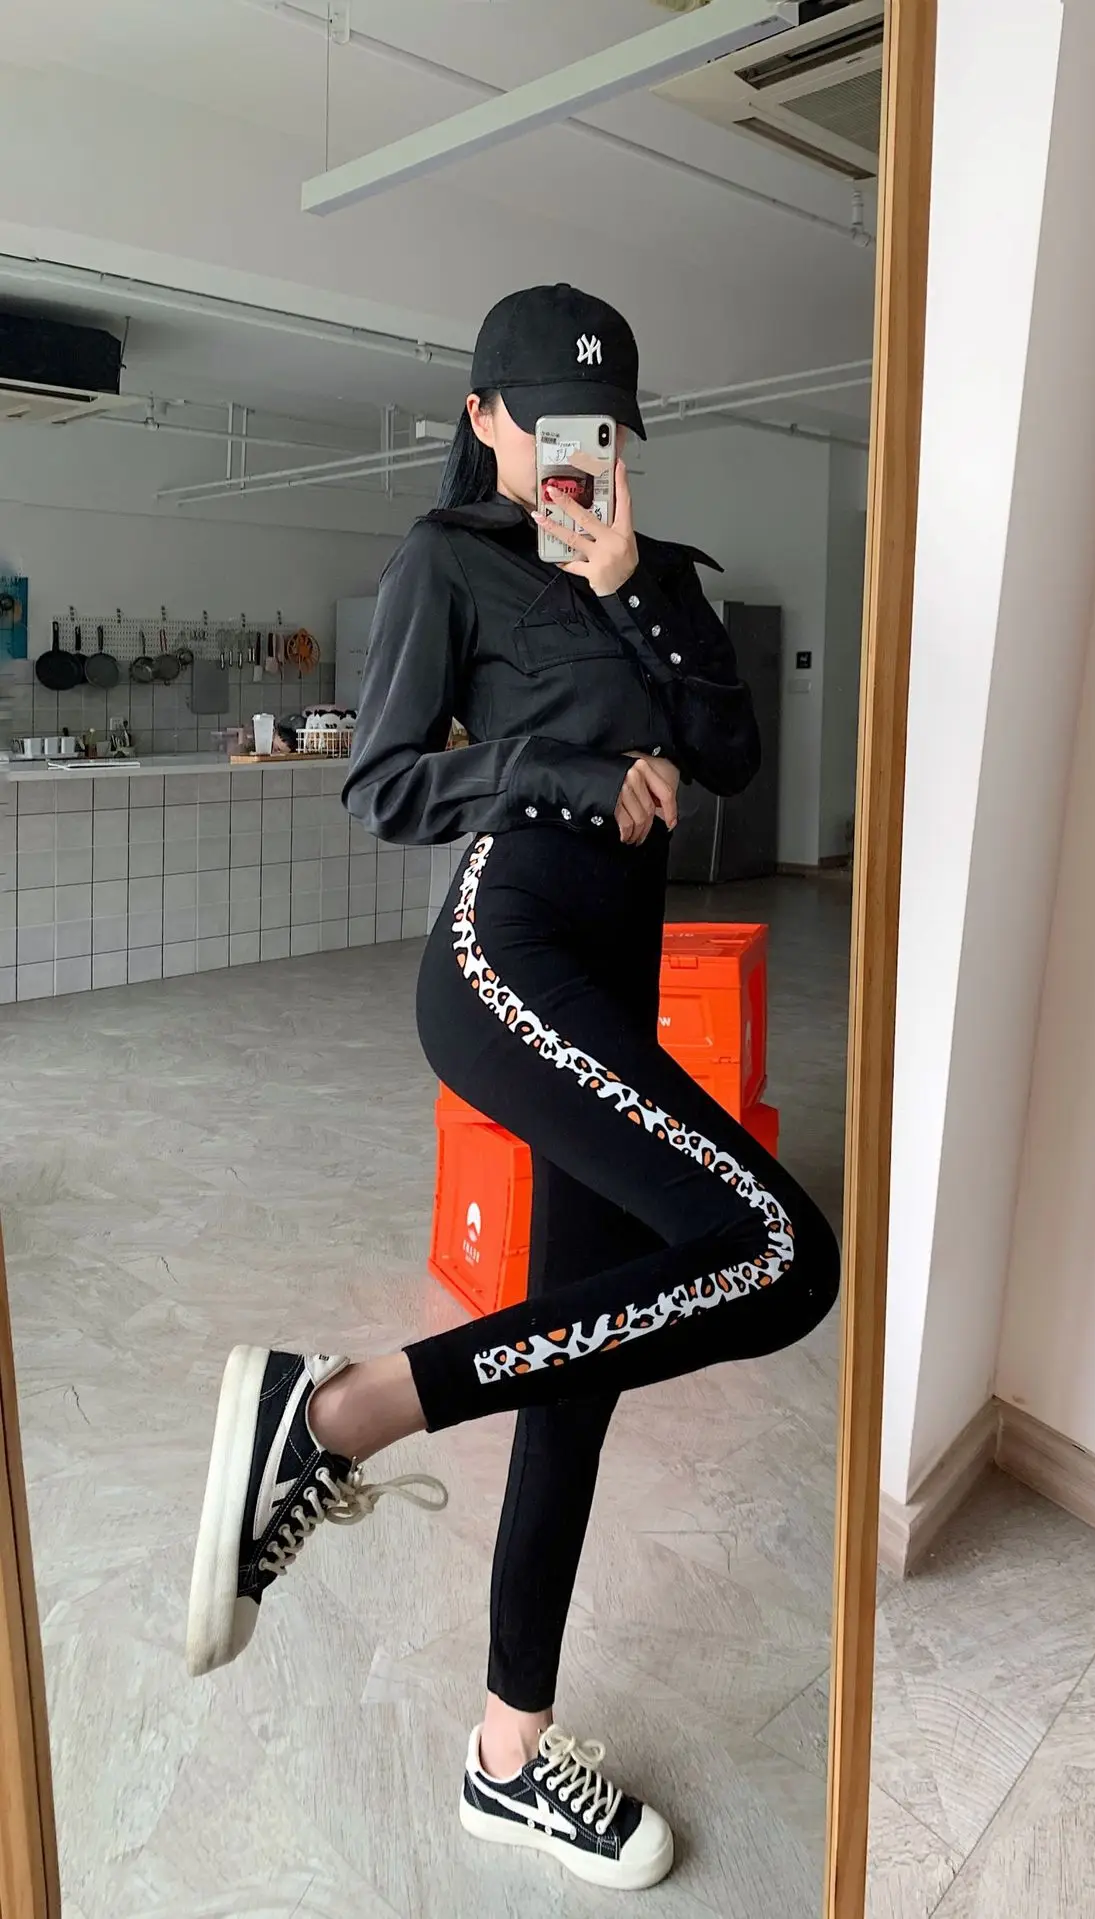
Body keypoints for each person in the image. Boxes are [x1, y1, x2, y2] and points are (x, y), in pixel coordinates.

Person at [184, 284, 840, 1893]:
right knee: (782, 1254)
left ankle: (505, 1759)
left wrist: (636, 594)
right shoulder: (447, 560)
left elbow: (732, 753)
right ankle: (334, 1414)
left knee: (577, 1371)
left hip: (608, 982)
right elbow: (384, 780)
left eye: (601, 426)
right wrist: (560, 771)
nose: (575, 451)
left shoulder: (659, 575)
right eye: (549, 422)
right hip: (508, 950)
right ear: (484, 418)